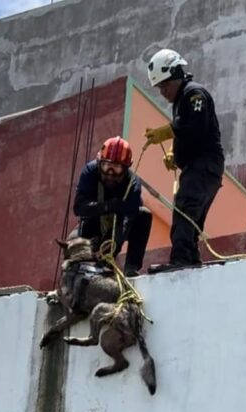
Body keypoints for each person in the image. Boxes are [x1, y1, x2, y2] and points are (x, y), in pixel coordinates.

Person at [145, 49, 225, 271]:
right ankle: (190, 260)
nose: (163, 92)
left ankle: (181, 260)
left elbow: (196, 128)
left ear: (177, 75)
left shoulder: (194, 95)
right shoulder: (182, 100)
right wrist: (175, 152)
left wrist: (168, 132)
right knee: (192, 217)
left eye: (165, 85)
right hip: (200, 168)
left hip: (203, 166)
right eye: (160, 87)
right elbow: (187, 131)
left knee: (184, 210)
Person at [73, 137, 152, 277]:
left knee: (144, 215)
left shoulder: (133, 185)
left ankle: (131, 268)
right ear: (99, 163)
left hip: (120, 224)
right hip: (93, 220)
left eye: (116, 168)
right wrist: (108, 206)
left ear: (126, 168)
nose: (110, 173)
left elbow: (128, 219)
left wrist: (113, 245)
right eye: (106, 166)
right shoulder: (90, 172)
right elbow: (79, 207)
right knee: (72, 246)